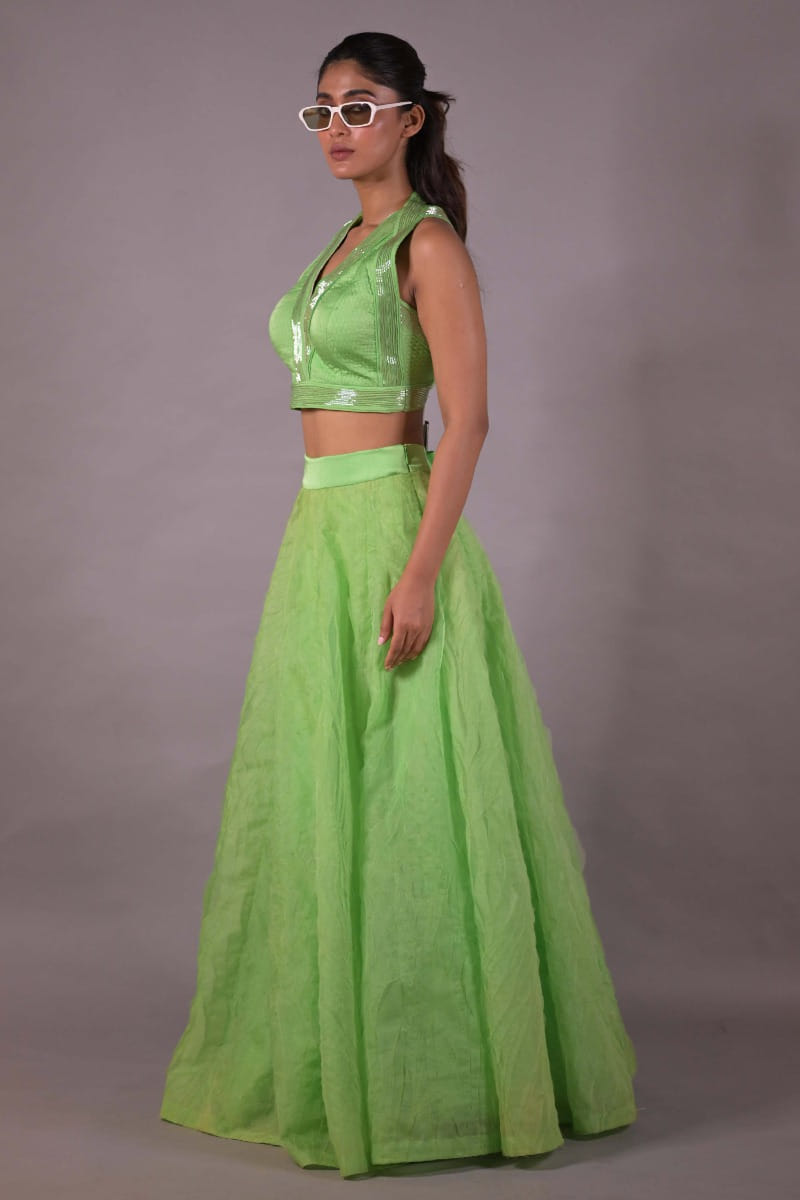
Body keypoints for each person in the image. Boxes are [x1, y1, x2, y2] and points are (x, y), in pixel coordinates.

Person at [159, 30, 638, 1179]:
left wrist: (419, 572)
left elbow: (466, 423)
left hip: (390, 528)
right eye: (322, 109)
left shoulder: (426, 244)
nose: (336, 127)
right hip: (317, 535)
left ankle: (447, 1087)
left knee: (417, 800)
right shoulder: (340, 246)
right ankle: (342, 1062)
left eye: (360, 106)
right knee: (331, 794)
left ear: (411, 117)